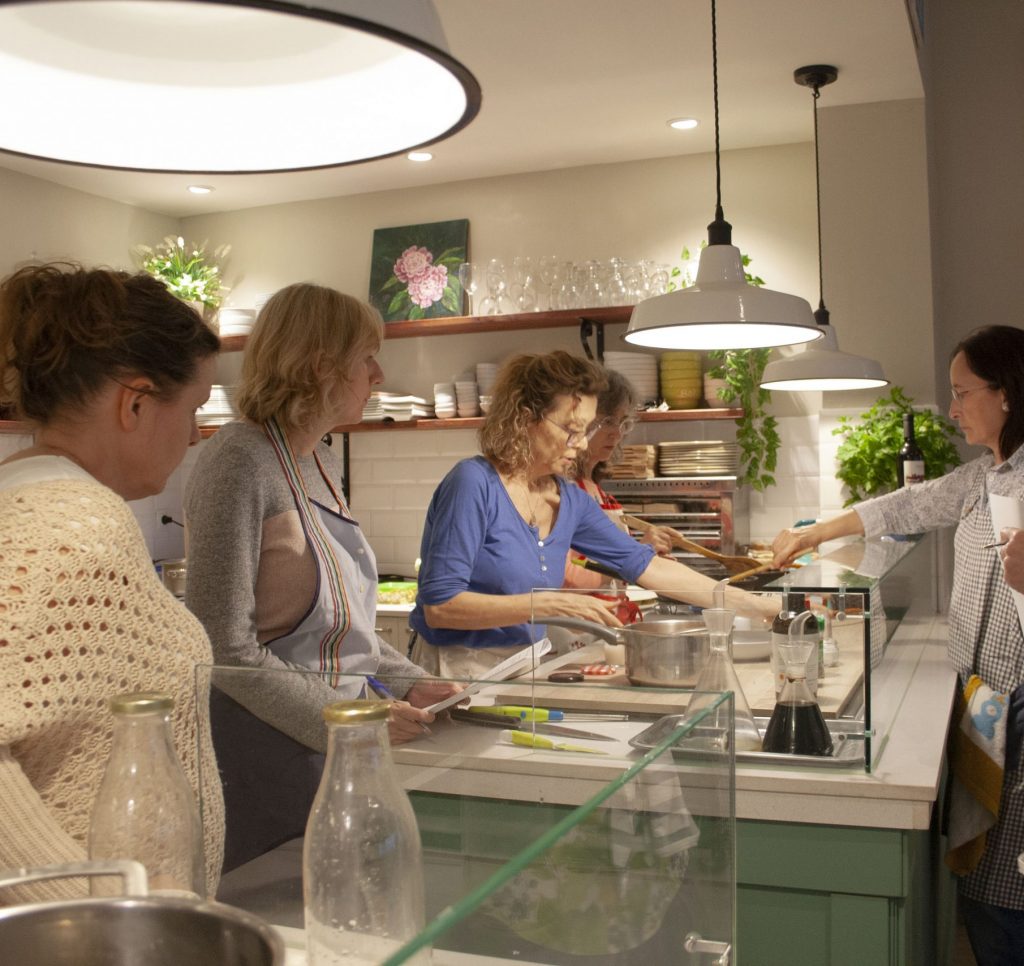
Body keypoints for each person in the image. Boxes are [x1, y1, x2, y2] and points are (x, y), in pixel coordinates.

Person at [183, 282, 462, 870]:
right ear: (320, 367)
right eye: (367, 358)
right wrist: (346, 719)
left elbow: (339, 628)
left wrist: (410, 682)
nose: (378, 375)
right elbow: (224, 648)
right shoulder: (237, 460)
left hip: (336, 743)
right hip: (261, 749)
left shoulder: (318, 457)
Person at [771, 325, 1024, 966]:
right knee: (985, 885)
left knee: (1007, 900)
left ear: (1007, 393)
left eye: (963, 392)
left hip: (1016, 709)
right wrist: (814, 534)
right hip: (983, 704)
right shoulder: (985, 476)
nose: (954, 408)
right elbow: (908, 507)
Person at [0, 262, 224, 904]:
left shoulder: (34, 499)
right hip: (90, 938)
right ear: (136, 402)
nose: (195, 436)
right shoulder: (73, 525)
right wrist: (105, 904)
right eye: (193, 410)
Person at [409, 350, 777, 678]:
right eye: (571, 430)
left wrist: (761, 607)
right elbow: (440, 607)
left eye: (585, 430)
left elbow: (649, 567)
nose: (583, 443)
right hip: (454, 671)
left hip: (525, 667)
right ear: (525, 419)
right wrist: (546, 603)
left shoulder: (569, 499)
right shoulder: (474, 483)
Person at [563, 367, 675, 591]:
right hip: (581, 612)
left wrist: (646, 558)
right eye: (607, 422)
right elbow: (571, 574)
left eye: (622, 423)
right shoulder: (564, 491)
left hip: (609, 609)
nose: (617, 433)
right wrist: (637, 558)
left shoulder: (598, 491)